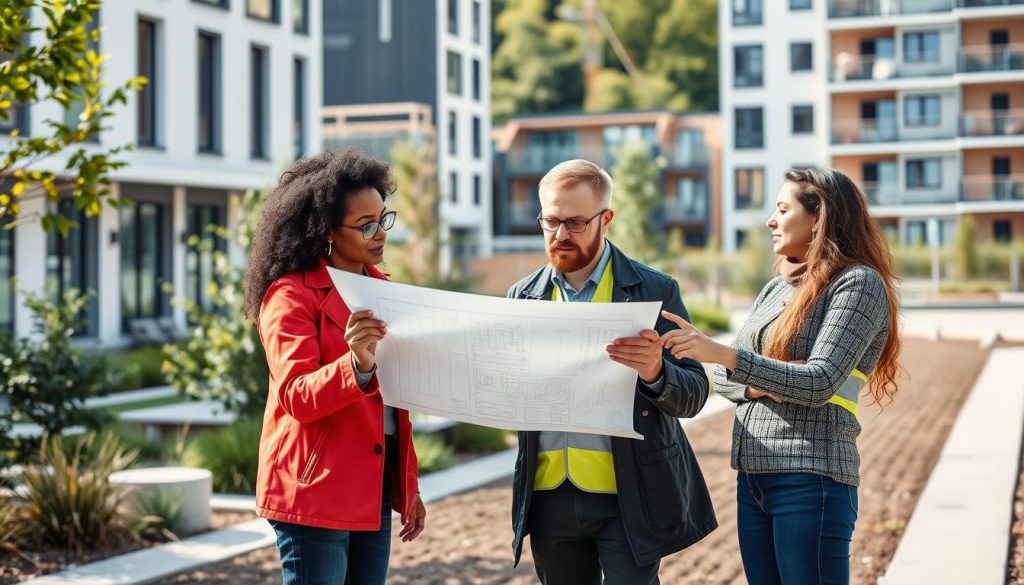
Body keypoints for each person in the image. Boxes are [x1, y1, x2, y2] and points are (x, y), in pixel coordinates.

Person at [660, 167, 902, 585]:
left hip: (812, 478)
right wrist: (755, 376)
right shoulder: (776, 289)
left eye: (782, 209)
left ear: (818, 217)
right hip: (754, 478)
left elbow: (820, 381)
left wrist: (731, 357)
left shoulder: (858, 284)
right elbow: (723, 378)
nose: (771, 221)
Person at [506, 159, 717, 585]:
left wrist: (657, 372)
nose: (561, 234)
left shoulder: (656, 291)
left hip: (631, 494)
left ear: (607, 219)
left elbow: (694, 392)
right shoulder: (521, 297)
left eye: (576, 222)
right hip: (549, 499)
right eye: (551, 221)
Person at [244, 149, 426, 585]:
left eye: (384, 219)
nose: (380, 233)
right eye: (366, 225)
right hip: (314, 492)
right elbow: (297, 397)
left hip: (372, 489)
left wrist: (408, 485)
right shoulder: (289, 296)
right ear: (326, 230)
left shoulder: (381, 290)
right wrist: (356, 364)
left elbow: (393, 405)